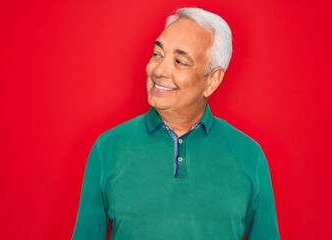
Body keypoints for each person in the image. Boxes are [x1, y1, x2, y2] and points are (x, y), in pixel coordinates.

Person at [72, 7, 280, 240]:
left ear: (212, 80)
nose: (159, 70)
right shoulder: (108, 148)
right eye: (157, 54)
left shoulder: (249, 155)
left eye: (180, 61)